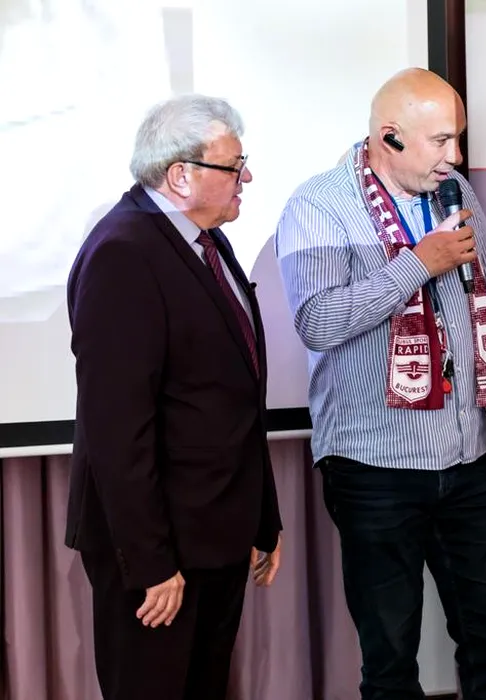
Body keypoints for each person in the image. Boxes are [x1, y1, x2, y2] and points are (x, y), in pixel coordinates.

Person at [274, 67, 486, 700]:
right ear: (389, 136)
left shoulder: (454, 192)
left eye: (457, 139)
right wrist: (418, 264)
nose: (456, 156)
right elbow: (318, 322)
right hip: (374, 469)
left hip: (469, 458)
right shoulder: (318, 204)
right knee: (390, 659)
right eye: (441, 141)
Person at [65, 94, 283, 700]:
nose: (247, 179)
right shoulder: (123, 252)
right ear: (180, 175)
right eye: (234, 166)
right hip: (159, 552)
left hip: (217, 534)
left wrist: (262, 517)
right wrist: (151, 561)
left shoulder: (205, 240)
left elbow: (235, 395)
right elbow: (116, 428)